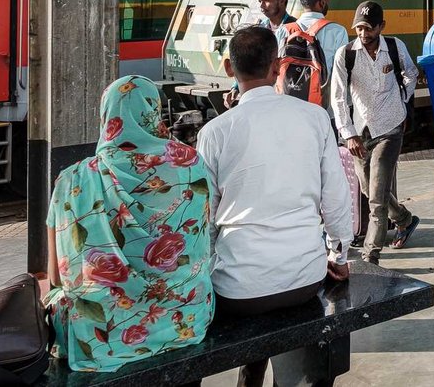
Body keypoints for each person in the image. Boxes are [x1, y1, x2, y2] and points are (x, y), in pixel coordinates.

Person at [197, 27, 353, 387]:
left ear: (228, 67)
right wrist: (339, 255)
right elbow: (336, 197)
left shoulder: (214, 132)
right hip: (304, 279)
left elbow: (206, 219)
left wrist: (209, 270)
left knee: (248, 314)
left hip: (237, 290)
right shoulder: (314, 118)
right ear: (278, 66)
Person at [44, 76, 213, 372]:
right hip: (184, 316)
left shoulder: (72, 180)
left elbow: (56, 278)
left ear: (106, 117)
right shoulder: (191, 166)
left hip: (103, 332)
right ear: (154, 113)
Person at [330, 1, 420, 260]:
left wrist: (402, 100)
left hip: (390, 128)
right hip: (360, 131)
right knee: (370, 190)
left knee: (376, 201)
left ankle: (371, 254)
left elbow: (411, 73)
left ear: (382, 26)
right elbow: (338, 97)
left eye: (369, 28)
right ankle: (404, 219)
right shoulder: (345, 54)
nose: (363, 33)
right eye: (359, 28)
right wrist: (349, 134)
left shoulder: (395, 47)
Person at [275, 0, 349, 107]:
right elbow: (341, 73)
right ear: (322, 3)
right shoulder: (337, 31)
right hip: (320, 106)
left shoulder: (283, 31)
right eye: (327, 0)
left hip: (286, 104)